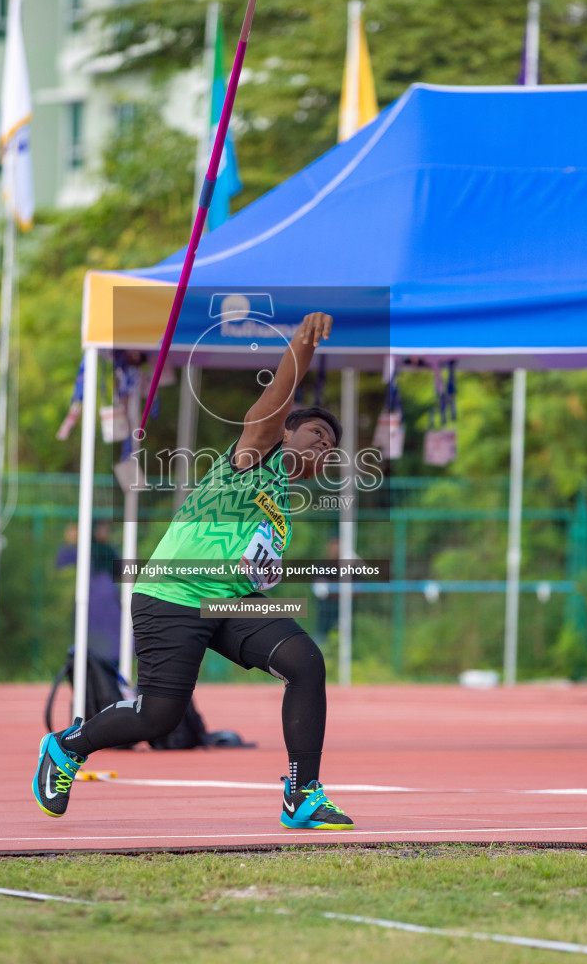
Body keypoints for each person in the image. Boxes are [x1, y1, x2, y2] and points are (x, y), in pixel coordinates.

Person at [33, 311, 354, 830]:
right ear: (286, 431)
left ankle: (302, 794)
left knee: (305, 662)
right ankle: (67, 746)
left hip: (226, 602)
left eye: (332, 447)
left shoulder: (281, 503)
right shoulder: (251, 456)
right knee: (161, 715)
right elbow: (274, 404)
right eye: (316, 433)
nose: (324, 446)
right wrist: (302, 341)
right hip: (173, 595)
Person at [55, 521, 122, 665]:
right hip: (91, 609)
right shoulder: (80, 552)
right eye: (102, 529)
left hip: (109, 611)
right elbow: (60, 569)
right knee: (92, 650)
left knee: (111, 649)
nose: (105, 533)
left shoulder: (109, 551)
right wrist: (70, 544)